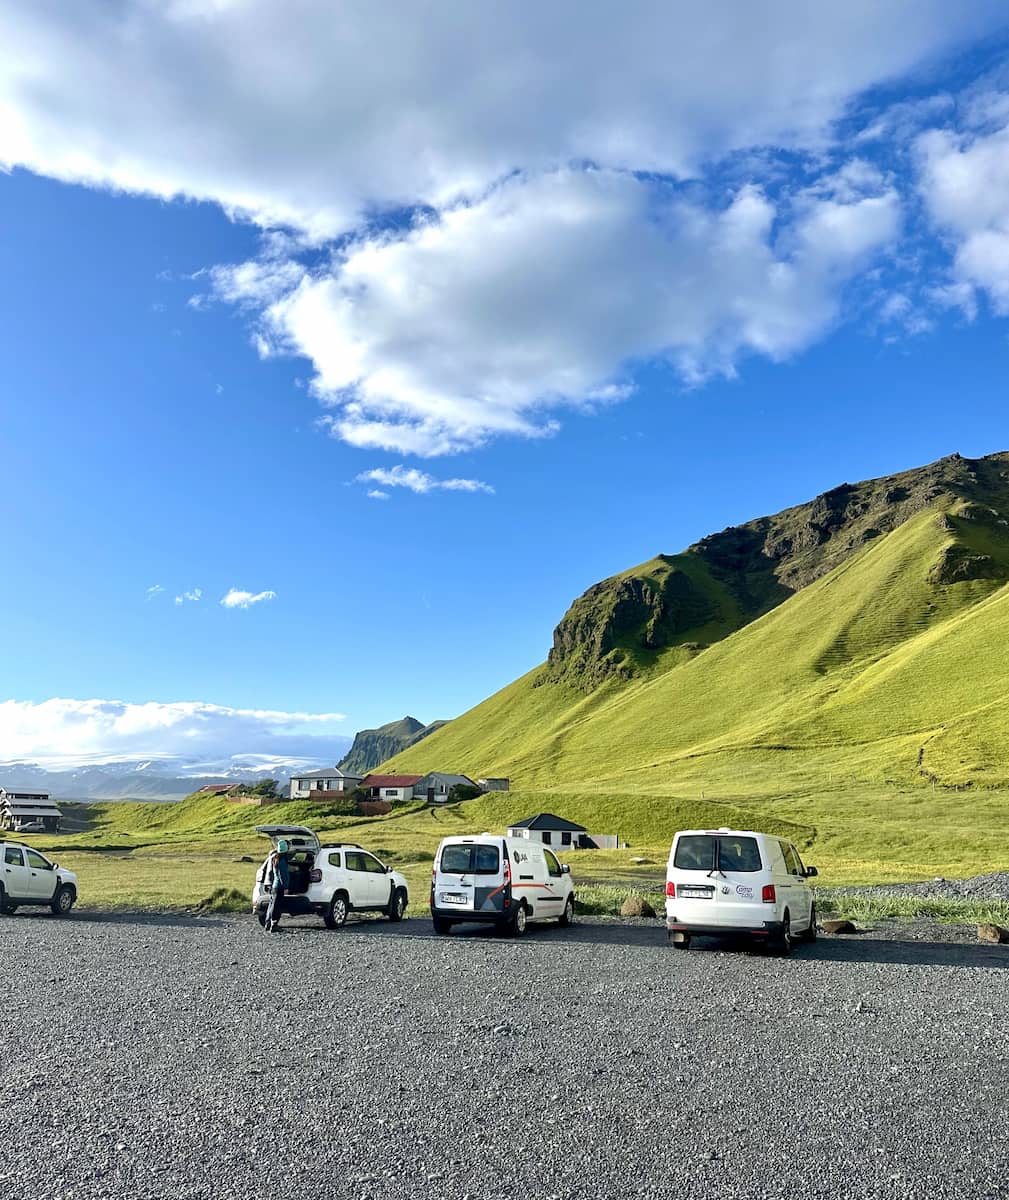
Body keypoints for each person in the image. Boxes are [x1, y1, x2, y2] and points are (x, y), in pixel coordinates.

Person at [264, 839, 291, 932]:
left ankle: (268, 923)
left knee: (271, 905)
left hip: (274, 886)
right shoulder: (282, 860)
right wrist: (286, 887)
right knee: (277, 906)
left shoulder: (275, 858)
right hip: (279, 887)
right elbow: (283, 875)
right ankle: (274, 925)